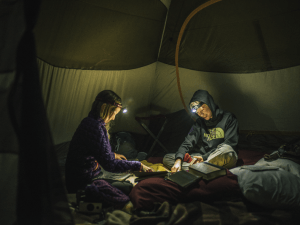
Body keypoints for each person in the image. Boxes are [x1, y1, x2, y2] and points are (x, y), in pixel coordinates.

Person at [65, 90, 153, 209]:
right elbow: (110, 165)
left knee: (125, 183)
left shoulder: (88, 121)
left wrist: (113, 154)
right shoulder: (96, 127)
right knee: (127, 188)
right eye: (114, 113)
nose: (113, 118)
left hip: (74, 178)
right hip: (82, 183)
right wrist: (138, 165)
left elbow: (95, 149)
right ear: (104, 108)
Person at [163, 90, 239, 172]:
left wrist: (205, 157)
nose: (201, 114)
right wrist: (178, 160)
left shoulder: (229, 118)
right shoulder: (199, 122)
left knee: (227, 150)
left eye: (202, 110)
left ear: (209, 104)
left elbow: (230, 144)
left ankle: (199, 168)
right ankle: (203, 169)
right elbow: (187, 142)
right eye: (198, 112)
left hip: (218, 156)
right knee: (167, 158)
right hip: (202, 157)